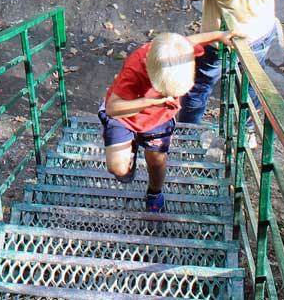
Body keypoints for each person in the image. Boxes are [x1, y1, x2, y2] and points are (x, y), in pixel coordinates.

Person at [99, 29, 240, 212]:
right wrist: (149, 102)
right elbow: (112, 108)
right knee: (119, 169)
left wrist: (217, 35)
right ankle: (130, 150)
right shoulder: (135, 68)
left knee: (157, 161)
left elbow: (187, 41)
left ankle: (154, 193)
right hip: (125, 116)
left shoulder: (177, 53)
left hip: (158, 119)